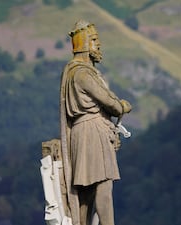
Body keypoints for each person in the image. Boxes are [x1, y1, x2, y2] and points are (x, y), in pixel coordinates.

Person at [59, 20, 132, 225]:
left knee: (89, 190)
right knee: (103, 185)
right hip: (92, 132)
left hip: (90, 131)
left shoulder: (81, 72)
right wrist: (122, 106)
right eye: (93, 40)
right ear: (83, 44)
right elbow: (109, 101)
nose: (98, 45)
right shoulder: (82, 73)